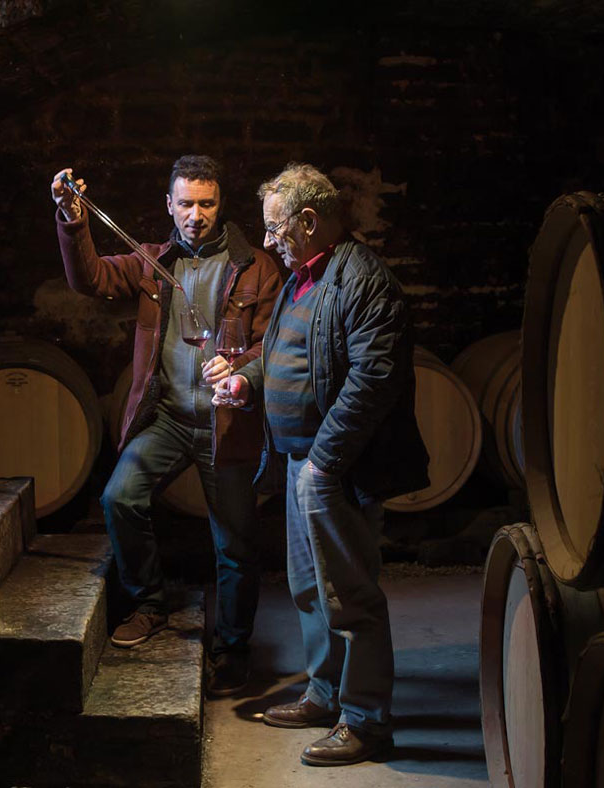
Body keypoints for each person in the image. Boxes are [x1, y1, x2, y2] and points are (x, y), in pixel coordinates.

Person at [214, 163, 428, 766]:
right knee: (309, 589)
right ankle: (324, 693)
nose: (270, 242)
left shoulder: (364, 280)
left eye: (277, 229)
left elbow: (373, 378)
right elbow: (283, 353)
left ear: (309, 222)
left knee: (350, 595)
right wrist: (247, 384)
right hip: (302, 460)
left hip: (335, 467)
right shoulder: (301, 278)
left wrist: (324, 463)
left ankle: (365, 722)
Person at [51, 155, 284, 697]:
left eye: (206, 203)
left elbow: (271, 344)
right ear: (169, 205)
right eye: (186, 203)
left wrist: (244, 370)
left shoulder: (256, 268)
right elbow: (91, 279)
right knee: (119, 497)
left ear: (220, 204)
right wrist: (72, 218)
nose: (196, 215)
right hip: (172, 420)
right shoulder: (153, 262)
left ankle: (231, 648)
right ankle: (149, 602)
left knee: (235, 544)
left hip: (227, 426)